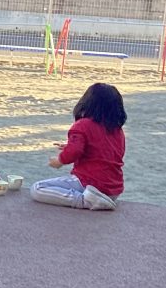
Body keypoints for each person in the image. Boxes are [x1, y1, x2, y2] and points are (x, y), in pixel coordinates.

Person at [32, 82, 126, 211]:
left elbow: (75, 151)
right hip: (113, 190)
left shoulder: (83, 125)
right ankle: (96, 199)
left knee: (37, 188)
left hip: (90, 184)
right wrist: (70, 145)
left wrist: (59, 161)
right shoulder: (117, 130)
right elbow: (107, 151)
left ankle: (84, 200)